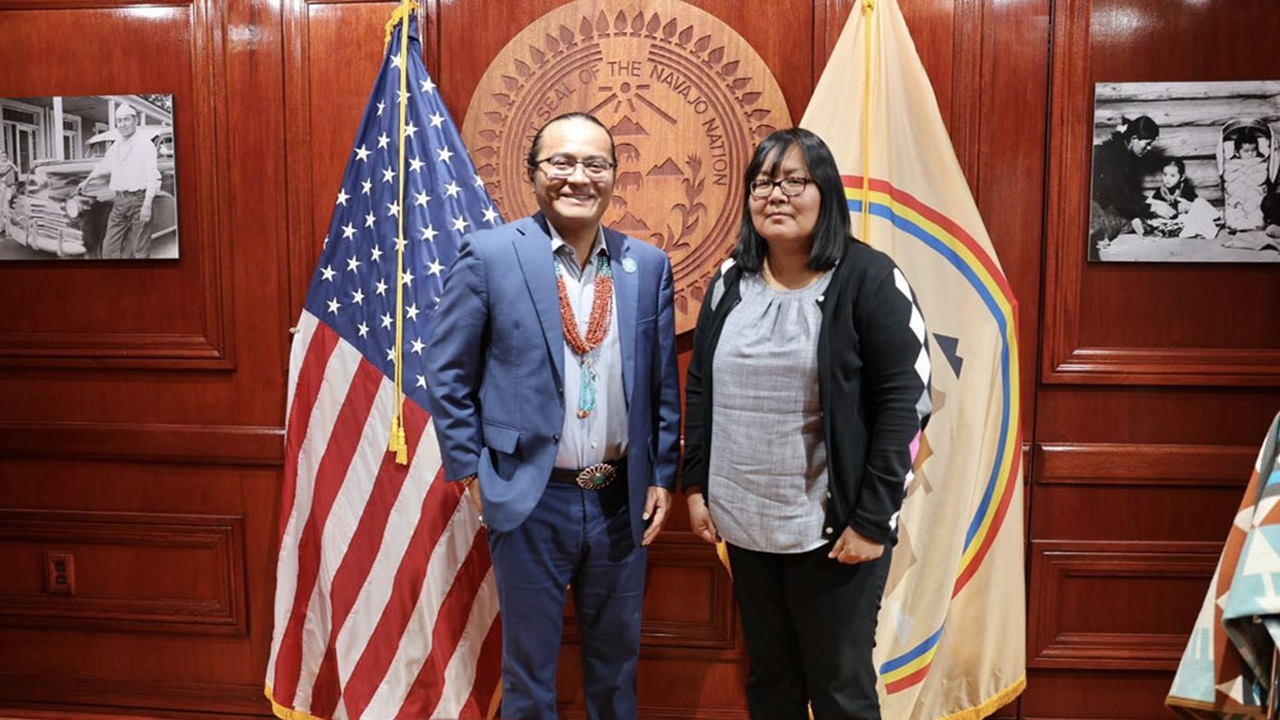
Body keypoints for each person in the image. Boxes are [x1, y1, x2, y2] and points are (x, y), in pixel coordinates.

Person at [425, 111, 681, 720]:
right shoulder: (490, 255)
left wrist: (663, 475)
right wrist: (470, 471)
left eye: (595, 164)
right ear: (534, 174)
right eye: (561, 163)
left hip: (617, 497)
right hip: (533, 498)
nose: (578, 177)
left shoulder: (645, 265)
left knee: (616, 673)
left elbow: (661, 382)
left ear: (615, 176)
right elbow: (447, 370)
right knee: (530, 676)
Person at [681, 128, 931, 720]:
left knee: (841, 691)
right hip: (743, 525)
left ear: (826, 195)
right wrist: (695, 485)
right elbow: (702, 386)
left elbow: (906, 403)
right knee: (772, 685)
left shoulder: (869, 278)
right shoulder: (728, 282)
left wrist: (872, 520)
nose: (777, 194)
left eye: (796, 180)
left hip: (834, 530)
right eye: (764, 182)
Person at [77, 103, 161, 259]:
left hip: (139, 201)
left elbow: (152, 177)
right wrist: (87, 180)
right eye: (119, 121)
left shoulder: (146, 145)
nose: (122, 124)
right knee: (109, 249)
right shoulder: (117, 145)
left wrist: (147, 205)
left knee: (139, 251)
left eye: (126, 120)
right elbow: (104, 165)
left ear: (135, 121)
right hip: (119, 202)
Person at [1090, 115, 1160, 256]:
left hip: (1105, 202)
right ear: (1134, 139)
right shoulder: (1113, 156)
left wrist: (1150, 202)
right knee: (1115, 225)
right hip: (1090, 203)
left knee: (1132, 221)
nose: (1149, 148)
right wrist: (1152, 207)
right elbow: (1119, 197)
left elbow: (1126, 192)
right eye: (1147, 143)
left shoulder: (1126, 153)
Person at [0, 150, 18, 230]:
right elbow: (2, 173)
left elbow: (14, 167)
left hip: (3, 185)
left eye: (5, 157)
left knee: (5, 205)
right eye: (2, 157)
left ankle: (5, 225)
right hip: (1, 185)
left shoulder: (8, 163)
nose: (4, 158)